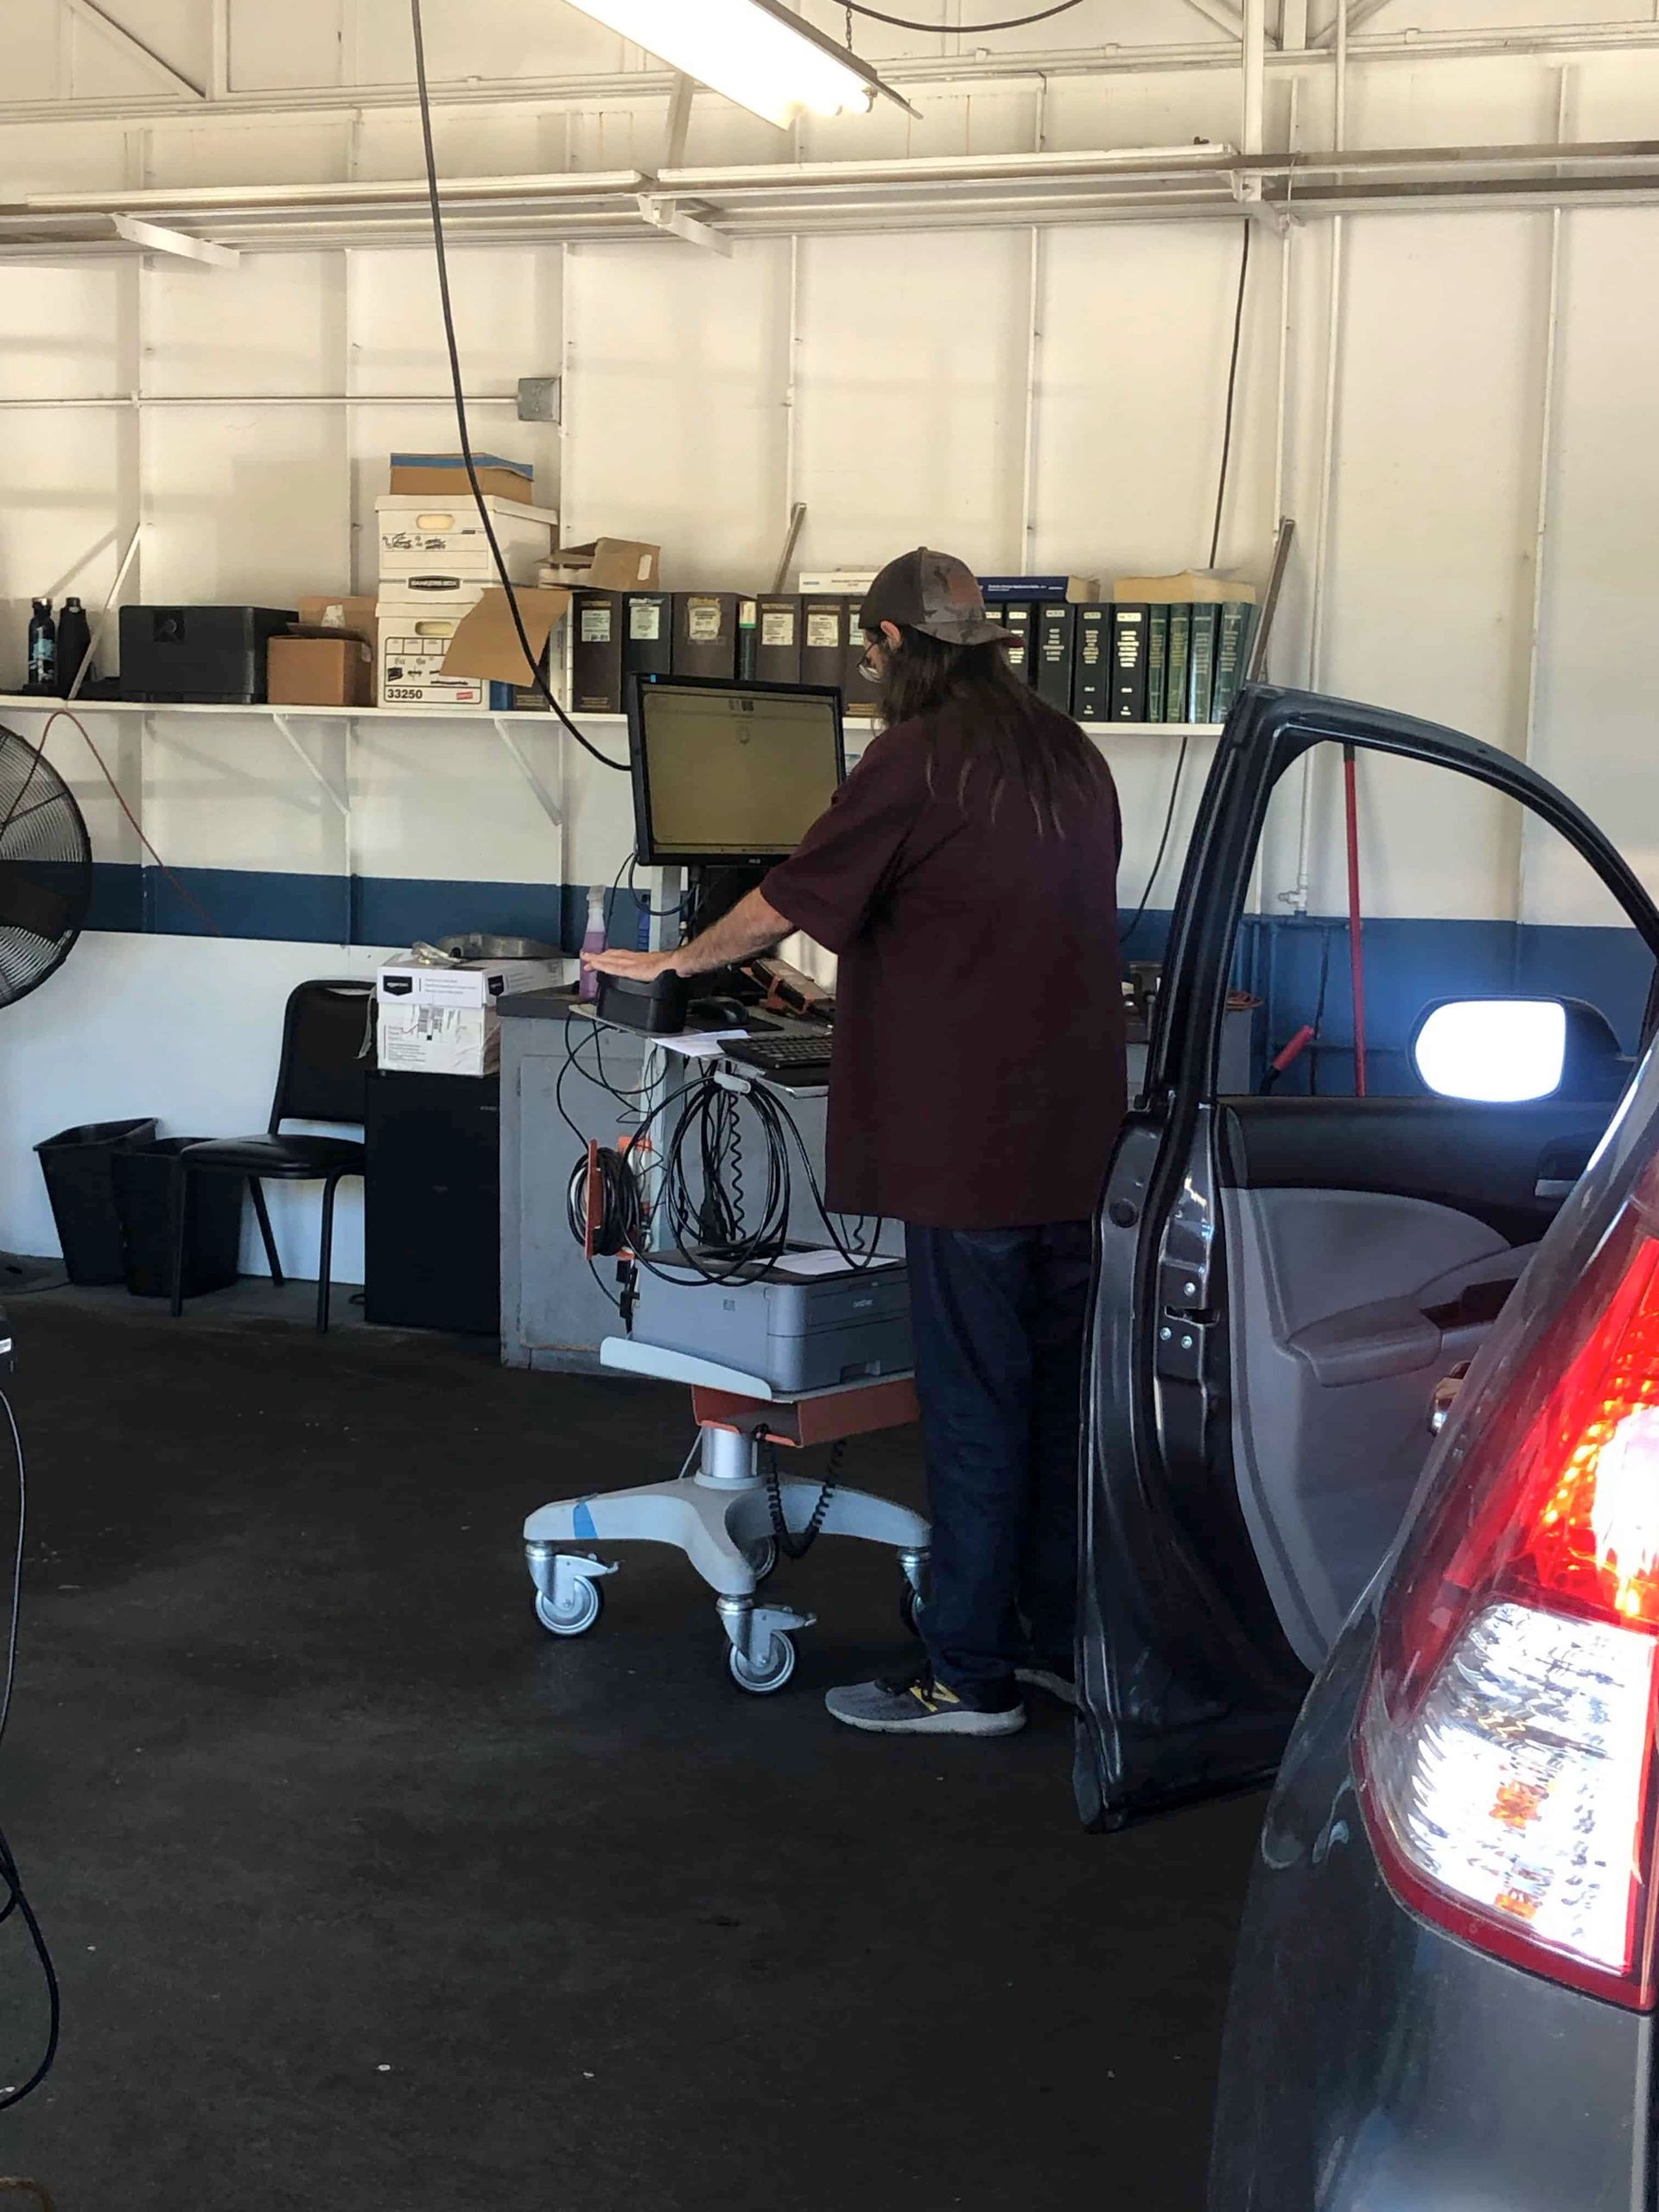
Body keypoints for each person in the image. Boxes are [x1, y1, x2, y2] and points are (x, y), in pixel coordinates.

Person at [585, 547, 1126, 1738]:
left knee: (977, 1408)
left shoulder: (916, 755)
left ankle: (967, 1681)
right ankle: (1044, 1643)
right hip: (1078, 1146)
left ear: (884, 647)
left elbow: (791, 895)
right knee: (1048, 1404)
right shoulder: (1068, 753)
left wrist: (677, 960)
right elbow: (978, 928)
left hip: (973, 1151)